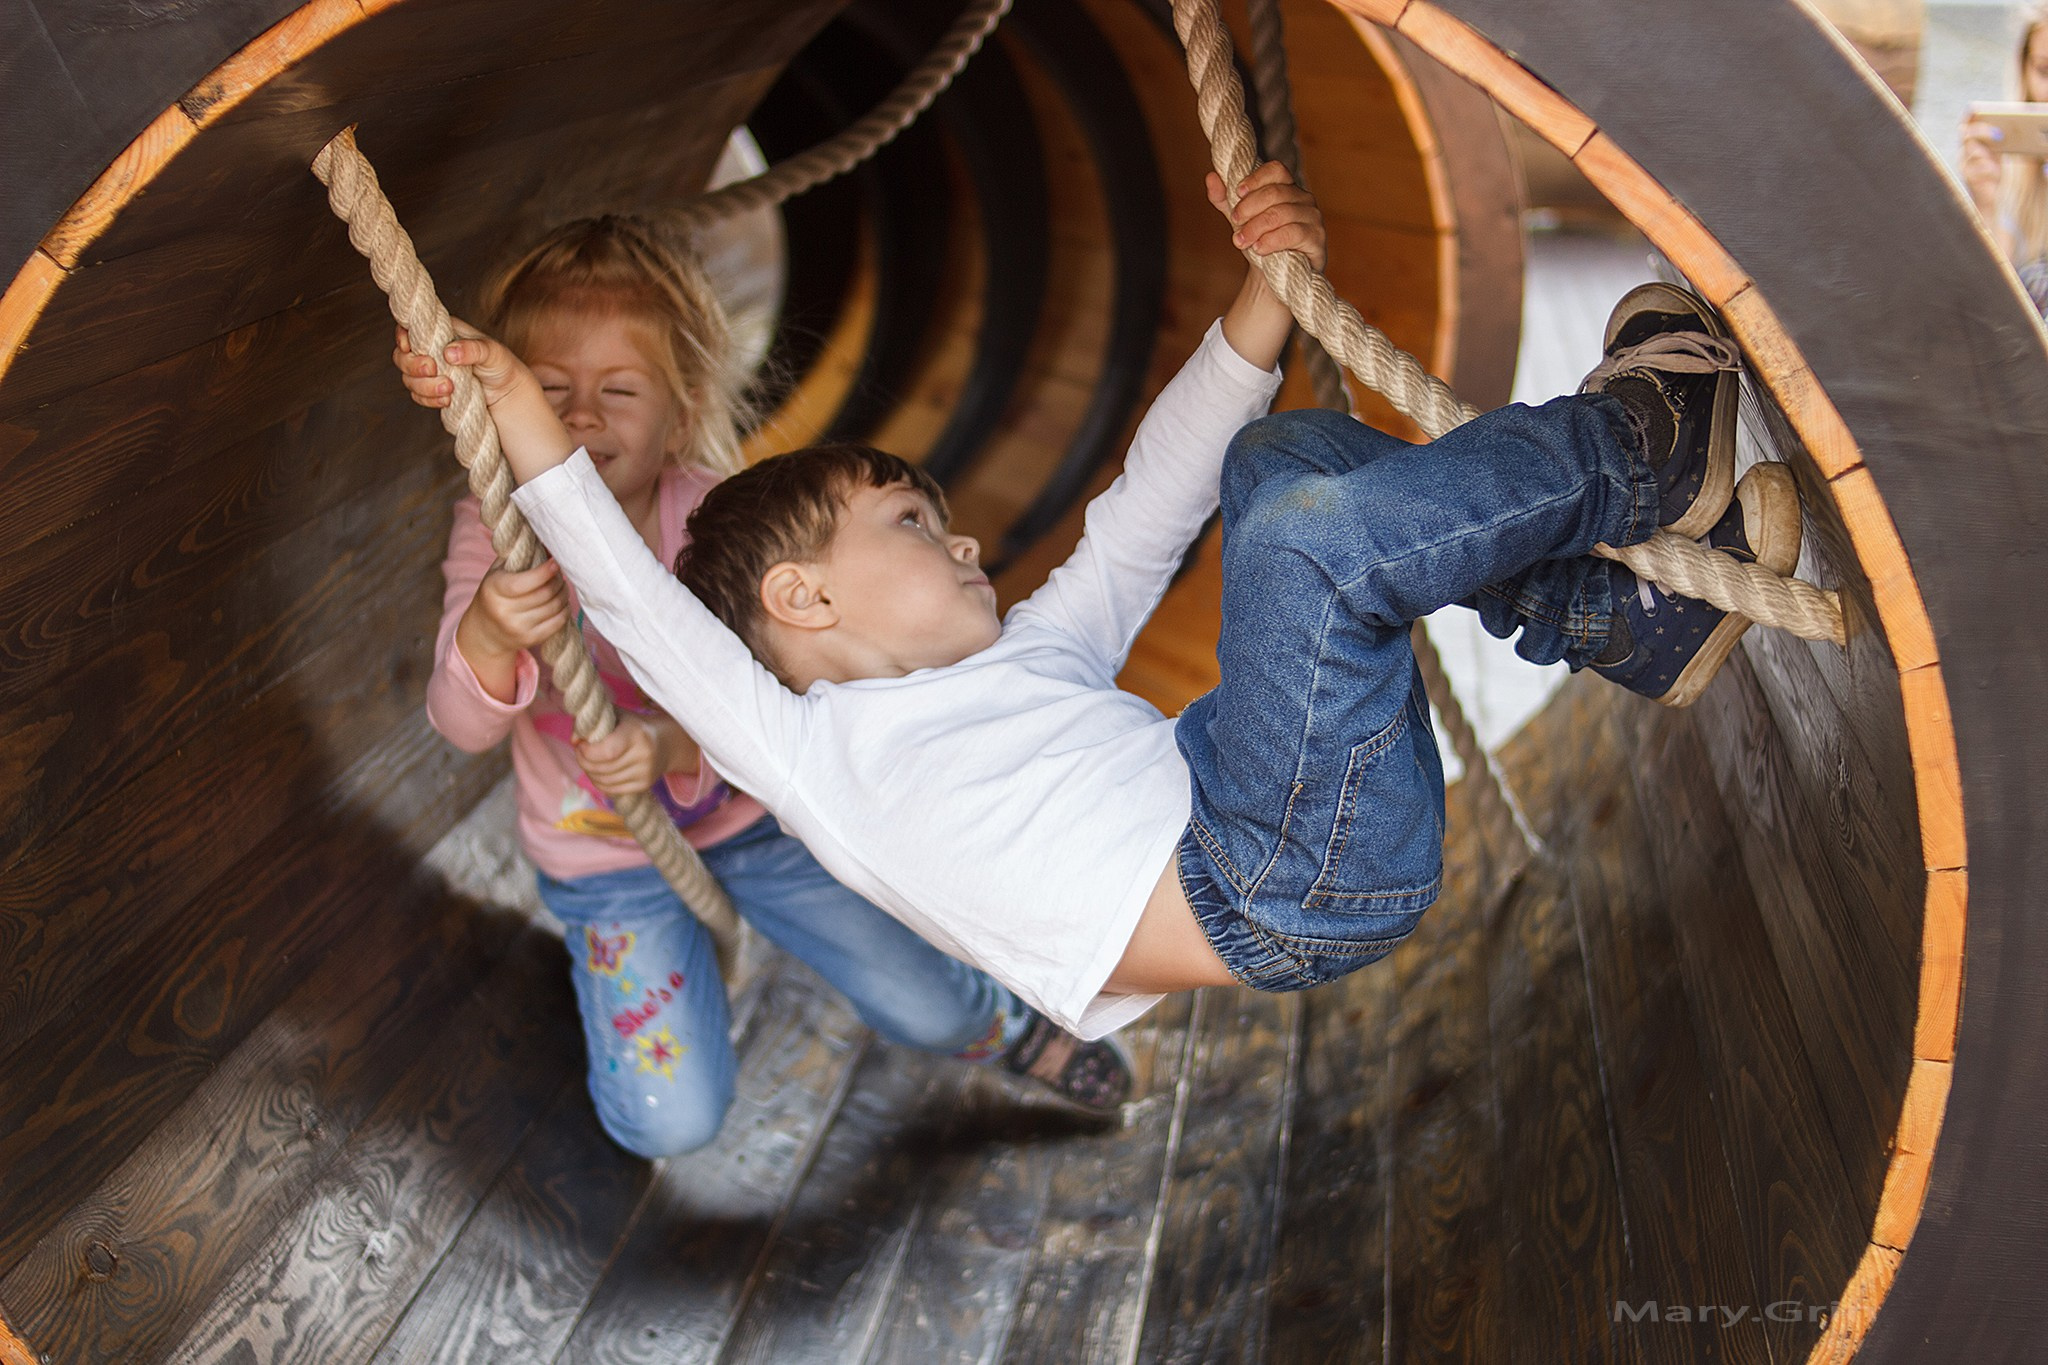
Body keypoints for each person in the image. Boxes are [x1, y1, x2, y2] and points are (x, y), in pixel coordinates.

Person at [397, 165, 1799, 1041]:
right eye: (911, 523)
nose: (961, 540)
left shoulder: (1030, 657)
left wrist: (1262, 297)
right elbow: (625, 593)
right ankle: (1643, 445)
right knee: (1307, 547)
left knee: (1279, 465)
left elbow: (1149, 502)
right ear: (799, 596)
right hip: (1275, 881)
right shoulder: (806, 756)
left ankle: (1615, 619)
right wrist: (507, 396)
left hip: (1257, 794)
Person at [418, 214, 1134, 1158]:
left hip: (753, 816)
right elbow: (462, 726)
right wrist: (487, 632)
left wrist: (668, 746)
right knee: (668, 1121)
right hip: (602, 850)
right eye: (551, 391)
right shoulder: (495, 530)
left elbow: (787, 691)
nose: (582, 415)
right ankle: (625, 996)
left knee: (924, 1004)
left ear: (681, 413)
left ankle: (1011, 1029)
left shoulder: (715, 521)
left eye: (619, 390)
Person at [1961, 5, 2048, 313]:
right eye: (2045, 71)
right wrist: (1985, 203)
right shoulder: (2008, 182)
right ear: (2024, 71)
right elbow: (1991, 308)